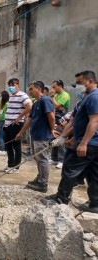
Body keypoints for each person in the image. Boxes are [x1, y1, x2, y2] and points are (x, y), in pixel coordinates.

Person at [44, 71, 98, 213]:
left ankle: (61, 199)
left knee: (69, 169)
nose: (77, 86)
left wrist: (83, 143)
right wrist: (66, 137)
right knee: (92, 173)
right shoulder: (86, 99)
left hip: (90, 143)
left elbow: (95, 121)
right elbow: (79, 123)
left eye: (80, 83)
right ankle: (95, 204)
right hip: (91, 142)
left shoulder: (95, 97)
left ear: (90, 81)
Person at [15, 81, 55, 192]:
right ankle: (40, 178)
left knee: (43, 159)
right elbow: (30, 119)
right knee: (38, 159)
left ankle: (43, 184)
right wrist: (21, 133)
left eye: (31, 89)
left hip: (43, 136)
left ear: (38, 89)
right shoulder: (36, 103)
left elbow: (51, 117)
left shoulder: (45, 100)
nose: (30, 91)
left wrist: (52, 130)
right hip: (35, 135)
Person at [3, 78, 32, 174]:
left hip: (15, 124)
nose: (11, 87)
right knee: (8, 145)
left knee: (16, 145)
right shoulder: (11, 96)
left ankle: (16, 167)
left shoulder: (22, 95)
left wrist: (20, 117)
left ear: (18, 85)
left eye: (13, 85)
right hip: (7, 124)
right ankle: (10, 164)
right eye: (10, 85)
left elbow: (29, 106)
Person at [50, 79, 70, 169]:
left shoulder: (65, 95)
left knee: (60, 138)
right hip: (55, 118)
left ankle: (61, 160)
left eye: (54, 87)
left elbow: (57, 105)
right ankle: (54, 158)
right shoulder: (57, 95)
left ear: (60, 86)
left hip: (62, 119)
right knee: (54, 138)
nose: (53, 89)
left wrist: (52, 96)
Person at [0, 91, 9, 156]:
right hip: (2, 120)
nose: (0, 97)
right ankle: (4, 149)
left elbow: (4, 114)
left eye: (1, 96)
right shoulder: (3, 104)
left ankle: (2, 149)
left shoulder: (6, 104)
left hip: (4, 121)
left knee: (0, 136)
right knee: (3, 136)